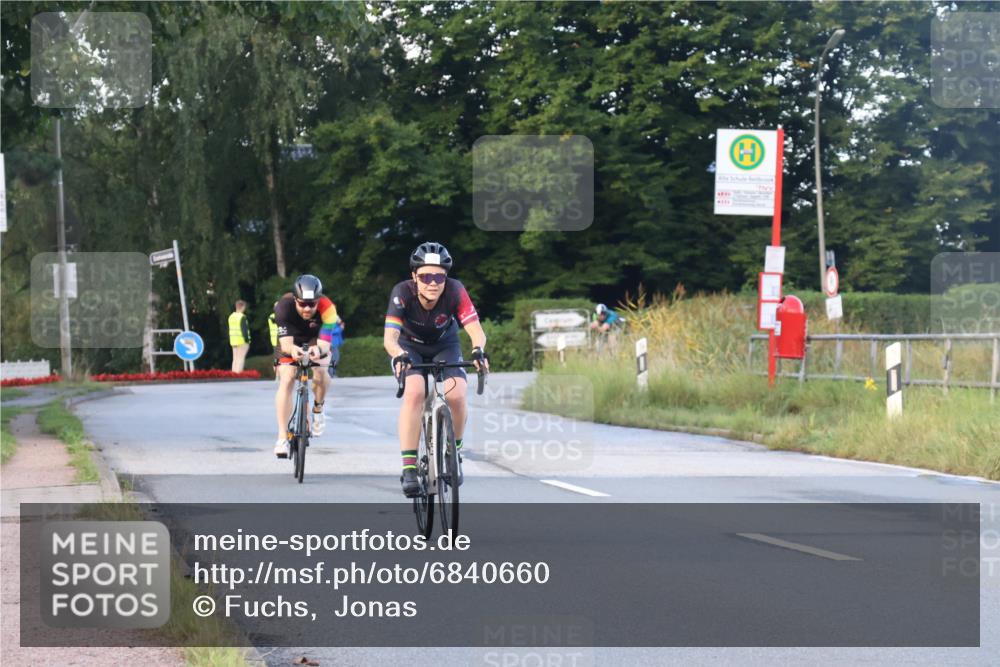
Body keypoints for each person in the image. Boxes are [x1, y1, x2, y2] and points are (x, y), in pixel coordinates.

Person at [383, 242, 489, 497]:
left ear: (446, 278)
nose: (433, 282)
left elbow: (475, 330)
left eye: (439, 276)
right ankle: (409, 467)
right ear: (414, 277)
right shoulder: (402, 293)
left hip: (445, 344)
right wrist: (399, 355)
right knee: (415, 392)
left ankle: (454, 453)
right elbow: (390, 338)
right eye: (426, 276)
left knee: (457, 394)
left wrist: (478, 350)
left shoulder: (455, 290)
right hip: (409, 347)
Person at [272, 275, 339, 458]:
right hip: (290, 340)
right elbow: (285, 344)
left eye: (312, 304)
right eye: (302, 304)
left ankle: (318, 408)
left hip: (315, 339)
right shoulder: (283, 307)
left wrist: (318, 350)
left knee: (321, 371)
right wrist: (293, 351)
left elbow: (325, 344)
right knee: (287, 378)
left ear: (319, 300)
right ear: (295, 300)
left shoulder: (328, 309)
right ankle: (282, 437)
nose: (307, 308)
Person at [228, 300, 251, 372]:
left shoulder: (231, 317)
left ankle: (233, 374)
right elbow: (244, 329)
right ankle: (239, 374)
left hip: (233, 340)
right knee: (241, 358)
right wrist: (247, 340)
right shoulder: (242, 317)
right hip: (242, 341)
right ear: (242, 307)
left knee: (235, 359)